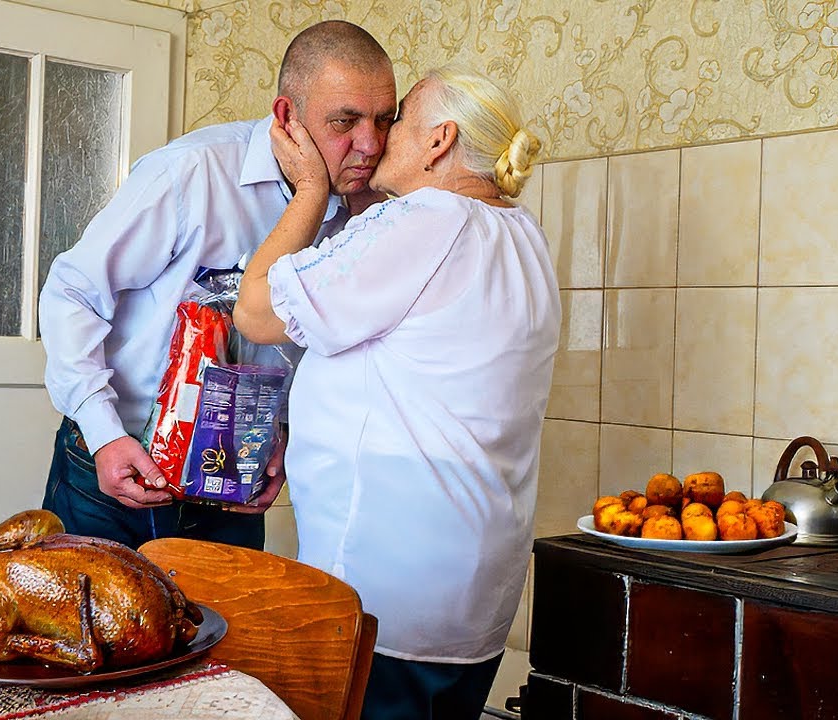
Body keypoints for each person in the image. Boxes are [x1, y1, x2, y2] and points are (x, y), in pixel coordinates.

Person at [234, 67, 561, 718]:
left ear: (439, 141)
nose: (378, 140)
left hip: (388, 592)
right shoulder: (522, 234)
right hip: (474, 592)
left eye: (397, 120)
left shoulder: (426, 219)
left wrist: (308, 191)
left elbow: (257, 313)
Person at [38, 21, 397, 550]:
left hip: (236, 470)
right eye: (345, 121)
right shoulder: (189, 174)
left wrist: (284, 435)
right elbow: (73, 290)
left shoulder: (362, 212)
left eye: (383, 120)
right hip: (117, 463)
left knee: (226, 633)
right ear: (286, 117)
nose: (368, 144)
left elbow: (327, 350)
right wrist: (103, 432)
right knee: (83, 629)